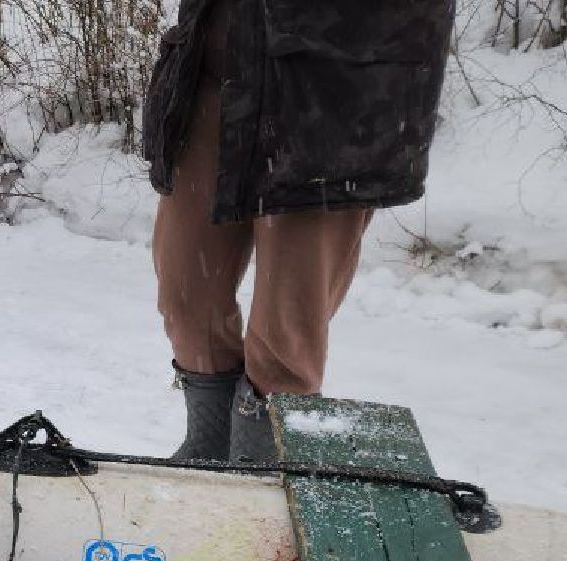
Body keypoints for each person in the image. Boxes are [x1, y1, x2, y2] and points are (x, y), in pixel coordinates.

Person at [142, 0, 455, 461]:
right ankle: (208, 452)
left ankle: (259, 469)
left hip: (334, 93)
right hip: (216, 67)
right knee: (186, 298)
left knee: (285, 332)